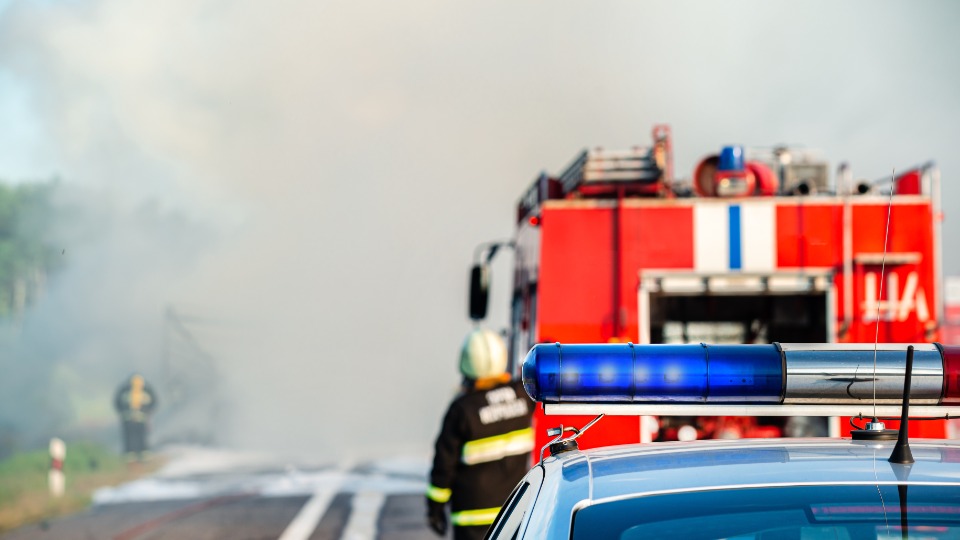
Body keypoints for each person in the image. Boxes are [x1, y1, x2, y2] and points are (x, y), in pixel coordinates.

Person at [427, 329, 534, 540]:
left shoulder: (462, 410)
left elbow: (443, 465)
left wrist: (435, 508)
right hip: (514, 515)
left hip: (472, 523)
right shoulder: (523, 396)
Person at [114, 373, 158, 461]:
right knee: (136, 437)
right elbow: (153, 402)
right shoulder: (145, 390)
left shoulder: (125, 390)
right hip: (133, 419)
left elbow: (117, 402)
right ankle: (136, 457)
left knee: (137, 437)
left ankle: (138, 457)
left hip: (134, 419)